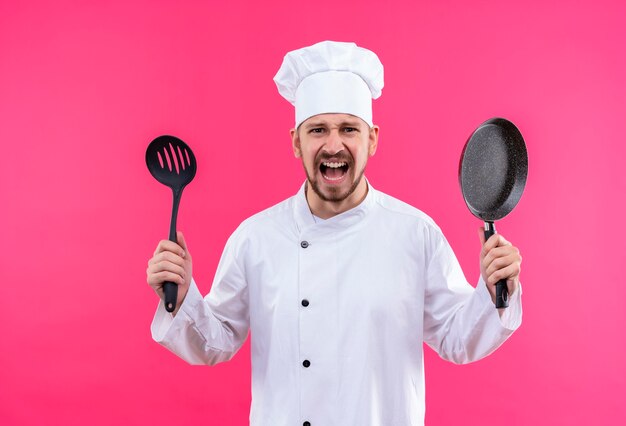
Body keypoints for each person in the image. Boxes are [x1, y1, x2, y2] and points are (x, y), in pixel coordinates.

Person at [146, 41, 522, 426]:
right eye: (318, 130)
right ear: (296, 141)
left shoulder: (415, 234)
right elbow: (216, 342)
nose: (333, 144)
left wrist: (493, 292)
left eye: (348, 129)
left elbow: (457, 339)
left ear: (372, 138)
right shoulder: (255, 238)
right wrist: (183, 293)